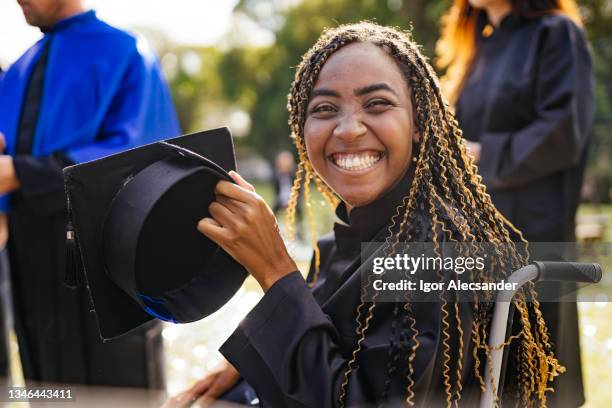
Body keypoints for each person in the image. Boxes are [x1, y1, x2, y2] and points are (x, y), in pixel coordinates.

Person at [165, 22, 564, 407]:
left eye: (377, 104)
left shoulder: (436, 253)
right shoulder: (346, 241)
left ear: (419, 124)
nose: (349, 128)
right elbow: (323, 346)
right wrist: (245, 363)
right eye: (324, 108)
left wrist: (274, 270)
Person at [0, 0, 180, 387]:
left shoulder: (127, 53)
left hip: (107, 262)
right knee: (47, 388)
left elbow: (142, 155)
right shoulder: (14, 72)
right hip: (29, 267)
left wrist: (21, 173)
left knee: (119, 387)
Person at [436, 1, 594, 406]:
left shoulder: (556, 34)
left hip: (531, 230)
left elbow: (564, 130)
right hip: (473, 234)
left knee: (532, 368)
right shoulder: (477, 46)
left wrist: (481, 154)